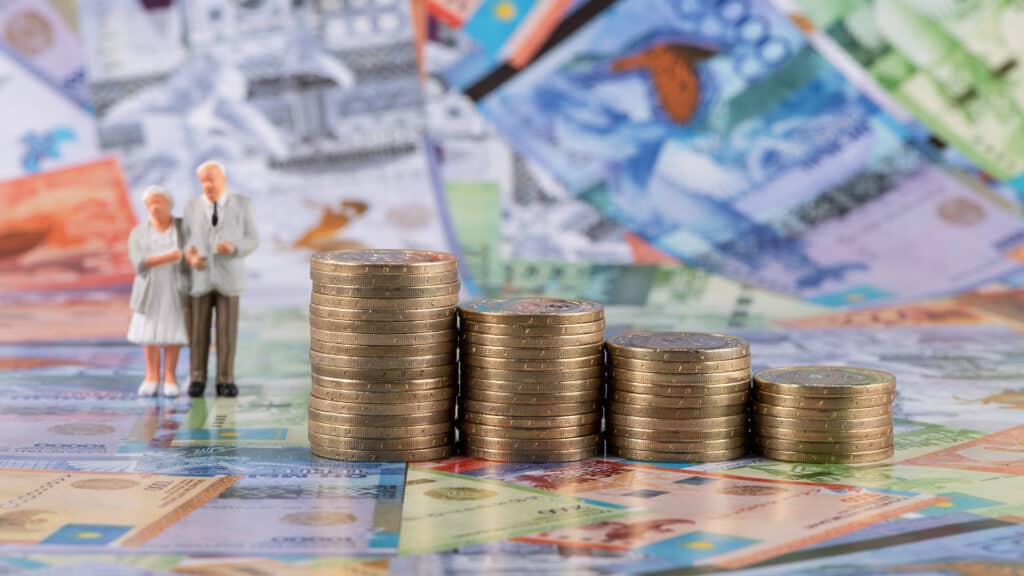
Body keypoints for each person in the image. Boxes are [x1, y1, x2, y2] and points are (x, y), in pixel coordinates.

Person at [183, 161, 259, 398]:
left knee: (227, 331)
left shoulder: (242, 204)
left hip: (229, 278)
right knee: (198, 332)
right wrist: (191, 256)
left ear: (223, 178)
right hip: (201, 277)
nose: (208, 184)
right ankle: (197, 377)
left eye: (212, 178)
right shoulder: (192, 206)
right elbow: (186, 239)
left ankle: (226, 378)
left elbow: (253, 239)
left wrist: (234, 247)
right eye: (203, 180)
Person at [127, 186, 190, 397]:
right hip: (150, 288)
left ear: (169, 204)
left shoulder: (183, 228)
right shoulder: (138, 232)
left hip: (176, 286)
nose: (154, 207)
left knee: (173, 332)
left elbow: (195, 250)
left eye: (158, 202)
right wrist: (169, 256)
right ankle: (151, 376)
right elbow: (139, 264)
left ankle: (170, 376)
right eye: (150, 203)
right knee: (150, 333)